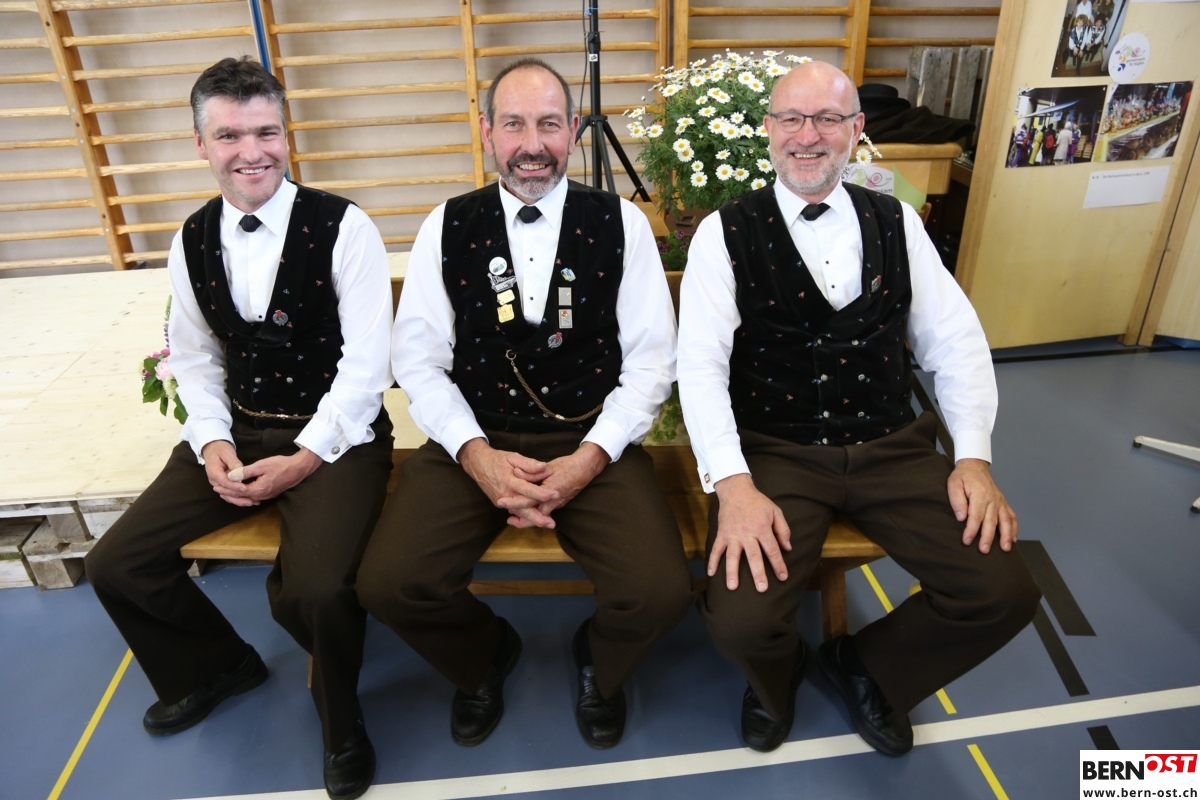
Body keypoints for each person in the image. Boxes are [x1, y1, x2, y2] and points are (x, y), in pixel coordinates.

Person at [676, 59, 1040, 755]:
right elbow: (700, 367)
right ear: (768, 128)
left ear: (856, 129)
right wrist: (733, 483)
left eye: (828, 119)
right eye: (791, 118)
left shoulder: (896, 218)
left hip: (891, 447)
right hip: (777, 451)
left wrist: (972, 458)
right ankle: (776, 678)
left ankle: (868, 666)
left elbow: (955, 342)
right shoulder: (725, 233)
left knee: (1004, 591)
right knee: (740, 623)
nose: (807, 136)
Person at [357, 58, 691, 751]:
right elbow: (418, 360)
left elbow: (653, 362)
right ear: (487, 132)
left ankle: (601, 662)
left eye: (548, 124)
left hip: (591, 437)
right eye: (514, 124)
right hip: (475, 436)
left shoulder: (623, 224)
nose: (531, 144)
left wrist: (590, 458)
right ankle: (484, 656)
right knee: (390, 584)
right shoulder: (446, 225)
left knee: (660, 591)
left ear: (574, 129)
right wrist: (474, 454)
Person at [84, 57, 394, 800]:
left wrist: (306, 457)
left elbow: (367, 367)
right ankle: (217, 665)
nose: (251, 152)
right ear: (201, 144)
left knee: (313, 591)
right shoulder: (190, 239)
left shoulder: (345, 228)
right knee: (115, 563)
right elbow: (193, 357)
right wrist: (212, 442)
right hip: (240, 430)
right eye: (229, 135)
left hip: (337, 439)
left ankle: (342, 722)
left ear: (286, 135)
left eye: (265, 132)